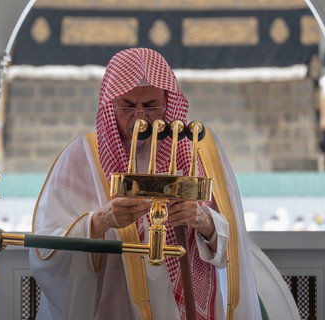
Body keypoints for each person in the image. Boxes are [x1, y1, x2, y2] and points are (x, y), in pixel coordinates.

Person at [30, 48, 261, 319]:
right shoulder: (82, 157)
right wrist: (100, 221)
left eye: (151, 106)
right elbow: (46, 249)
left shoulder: (198, 150)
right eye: (128, 106)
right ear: (110, 105)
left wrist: (204, 220)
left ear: (168, 102)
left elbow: (233, 249)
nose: (140, 118)